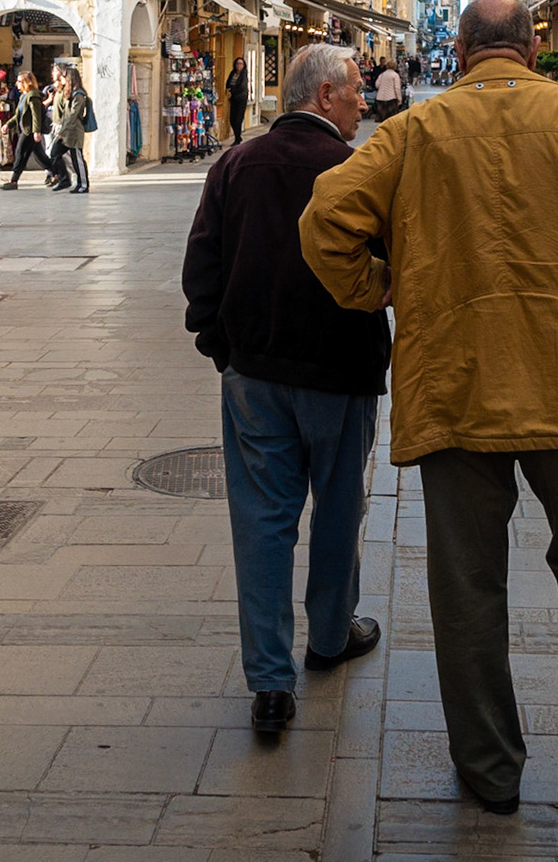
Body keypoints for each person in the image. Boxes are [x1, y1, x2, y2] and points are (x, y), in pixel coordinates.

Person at [300, 0, 558, 818]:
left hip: (454, 386)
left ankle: (490, 769)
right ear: (528, 47)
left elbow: (325, 219)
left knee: (466, 584)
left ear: (460, 49)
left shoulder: (414, 130)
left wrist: (383, 289)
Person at [182, 44, 391, 734]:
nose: (364, 101)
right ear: (325, 95)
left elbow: (201, 268)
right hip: (342, 373)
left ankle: (270, 681)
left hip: (256, 375)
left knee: (262, 523)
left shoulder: (236, 164)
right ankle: (329, 638)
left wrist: (223, 347)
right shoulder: (358, 169)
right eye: (356, 90)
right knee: (338, 510)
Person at [4, 71, 63, 190]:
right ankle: (57, 174)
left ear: (28, 82)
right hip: (25, 130)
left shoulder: (33, 96)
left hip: (29, 131)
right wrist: (8, 125)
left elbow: (36, 115)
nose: (17, 84)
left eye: (20, 81)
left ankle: (14, 181)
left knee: (20, 153)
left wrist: (36, 132)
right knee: (39, 155)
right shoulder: (23, 96)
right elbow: (18, 115)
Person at [51, 66, 91, 194]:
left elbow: (73, 115)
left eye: (63, 77)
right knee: (54, 154)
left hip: (74, 131)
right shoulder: (67, 93)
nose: (61, 79)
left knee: (77, 158)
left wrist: (62, 132)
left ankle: (83, 184)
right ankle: (64, 179)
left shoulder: (79, 94)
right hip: (65, 131)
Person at [226, 56, 250, 145]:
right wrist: (228, 90)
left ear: (243, 65)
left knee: (238, 119)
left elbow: (242, 86)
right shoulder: (233, 73)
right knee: (232, 119)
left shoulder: (244, 74)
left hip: (241, 98)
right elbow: (228, 83)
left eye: (241, 64)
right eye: (237, 64)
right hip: (233, 98)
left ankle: (237, 139)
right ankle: (238, 136)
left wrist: (232, 91)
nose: (239, 66)